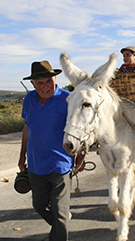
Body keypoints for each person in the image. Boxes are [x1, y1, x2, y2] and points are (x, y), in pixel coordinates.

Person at [18, 60, 84, 241]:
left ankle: (58, 234)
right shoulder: (29, 99)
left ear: (55, 78)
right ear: (33, 84)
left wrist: (82, 155)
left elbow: (81, 128)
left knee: (59, 210)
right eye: (40, 82)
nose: (45, 86)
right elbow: (27, 128)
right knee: (39, 205)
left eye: (48, 80)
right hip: (35, 163)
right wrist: (22, 155)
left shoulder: (68, 99)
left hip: (60, 163)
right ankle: (58, 229)